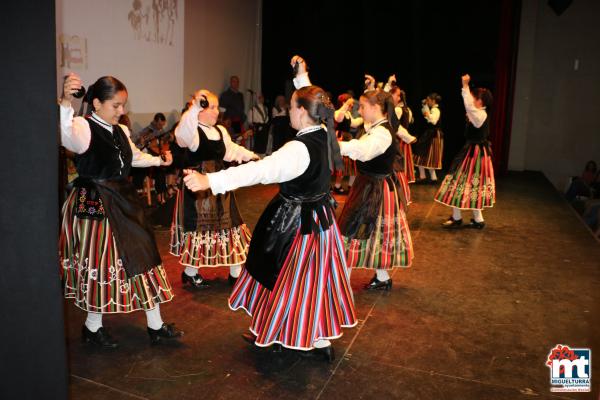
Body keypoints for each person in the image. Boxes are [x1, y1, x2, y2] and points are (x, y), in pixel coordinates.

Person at [182, 56, 357, 362]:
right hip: (320, 221)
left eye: (292, 107)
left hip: (297, 225)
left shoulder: (297, 149)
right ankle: (317, 339)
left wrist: (208, 179)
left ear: (302, 113)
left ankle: (285, 332)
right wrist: (302, 77)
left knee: (288, 278)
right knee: (313, 280)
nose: (289, 110)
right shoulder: (324, 133)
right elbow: (313, 105)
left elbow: (258, 172)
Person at [59, 73, 182, 347]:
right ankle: (92, 328)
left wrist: (160, 161)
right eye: (116, 105)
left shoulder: (121, 131)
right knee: (101, 263)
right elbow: (66, 136)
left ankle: (156, 324)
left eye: (123, 105)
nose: (122, 111)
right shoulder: (83, 127)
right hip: (96, 203)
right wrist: (66, 100)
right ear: (97, 103)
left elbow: (134, 158)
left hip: (122, 199)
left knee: (143, 254)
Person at [171, 89, 258, 288]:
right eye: (211, 107)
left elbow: (230, 151)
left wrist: (250, 155)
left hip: (219, 183)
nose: (216, 112)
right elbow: (181, 135)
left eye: (217, 107)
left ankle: (235, 273)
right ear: (199, 109)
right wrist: (193, 108)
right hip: (198, 188)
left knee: (230, 224)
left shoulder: (220, 130)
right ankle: (190, 272)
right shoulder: (191, 130)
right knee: (200, 230)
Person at [337, 89, 414, 290]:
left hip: (376, 189)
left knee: (354, 232)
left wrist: (337, 146)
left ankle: (340, 285)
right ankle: (382, 277)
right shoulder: (376, 128)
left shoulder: (381, 133)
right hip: (370, 186)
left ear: (375, 107)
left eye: (363, 106)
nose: (360, 110)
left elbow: (363, 151)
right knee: (369, 233)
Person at [435, 74, 495, 229]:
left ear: (480, 101)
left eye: (474, 97)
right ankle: (477, 219)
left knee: (459, 181)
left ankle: (458, 218)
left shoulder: (480, 114)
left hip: (475, 154)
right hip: (475, 152)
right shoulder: (479, 114)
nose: (472, 100)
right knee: (470, 184)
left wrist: (465, 86)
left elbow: (468, 106)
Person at [333, 93, 364, 194]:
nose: (352, 106)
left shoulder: (348, 113)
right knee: (341, 165)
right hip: (340, 139)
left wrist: (364, 118)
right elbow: (338, 118)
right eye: (350, 104)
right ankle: (337, 186)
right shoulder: (338, 112)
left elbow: (354, 124)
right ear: (343, 102)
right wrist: (346, 105)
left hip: (347, 138)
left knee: (351, 163)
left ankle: (351, 186)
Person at [413, 92, 443, 183]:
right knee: (421, 154)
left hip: (433, 135)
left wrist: (427, 113)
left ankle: (433, 178)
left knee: (430, 155)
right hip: (429, 134)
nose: (427, 101)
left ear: (433, 101)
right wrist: (425, 106)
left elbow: (433, 121)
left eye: (429, 100)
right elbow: (426, 114)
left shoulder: (436, 110)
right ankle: (424, 176)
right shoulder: (432, 109)